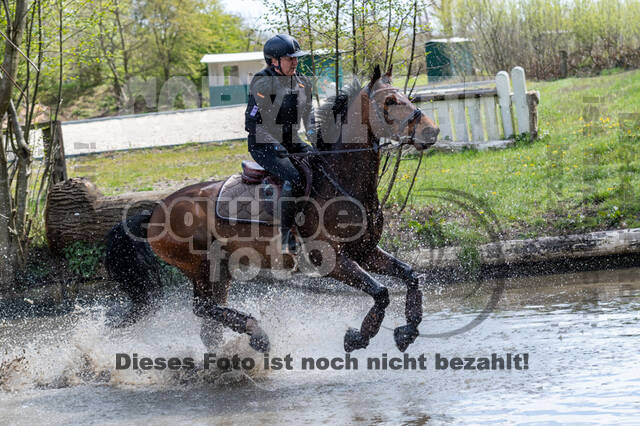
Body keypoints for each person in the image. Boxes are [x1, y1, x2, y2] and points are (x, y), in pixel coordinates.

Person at [244, 34, 316, 254]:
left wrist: (318, 141)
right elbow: (251, 124)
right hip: (263, 145)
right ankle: (286, 236)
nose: (295, 62)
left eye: (296, 58)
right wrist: (276, 145)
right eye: (289, 58)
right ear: (274, 61)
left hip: (292, 142)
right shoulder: (262, 82)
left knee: (322, 164)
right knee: (293, 178)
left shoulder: (302, 82)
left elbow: (309, 119)